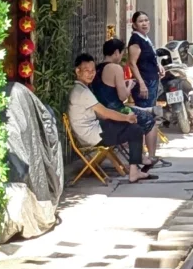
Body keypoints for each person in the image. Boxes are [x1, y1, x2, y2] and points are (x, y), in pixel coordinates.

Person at [67, 53, 143, 179]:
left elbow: (101, 114)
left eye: (93, 70)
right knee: (135, 130)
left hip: (93, 131)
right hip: (93, 136)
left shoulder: (79, 88)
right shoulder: (82, 92)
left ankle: (134, 167)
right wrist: (126, 118)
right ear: (77, 71)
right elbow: (105, 112)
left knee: (126, 125)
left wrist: (116, 119)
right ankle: (134, 172)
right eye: (87, 71)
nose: (91, 74)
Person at [97, 39, 156, 169]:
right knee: (149, 119)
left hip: (100, 112)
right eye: (122, 53)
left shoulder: (96, 69)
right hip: (116, 111)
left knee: (138, 113)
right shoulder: (115, 68)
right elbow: (122, 96)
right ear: (116, 52)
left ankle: (141, 155)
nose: (122, 57)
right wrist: (129, 86)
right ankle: (149, 157)